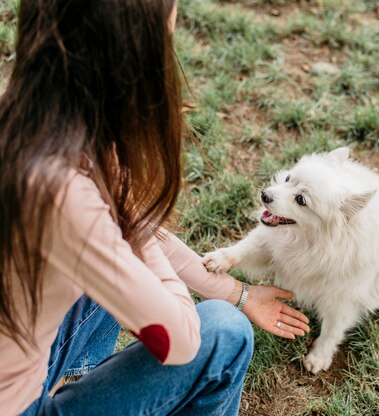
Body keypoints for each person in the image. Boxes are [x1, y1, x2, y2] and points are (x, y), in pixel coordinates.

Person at [0, 1, 310, 415]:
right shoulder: (64, 195)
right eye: (165, 40)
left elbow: (132, 233)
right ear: (130, 59)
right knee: (223, 333)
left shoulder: (29, 122)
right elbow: (180, 341)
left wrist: (240, 292)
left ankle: (75, 380)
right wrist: (125, 229)